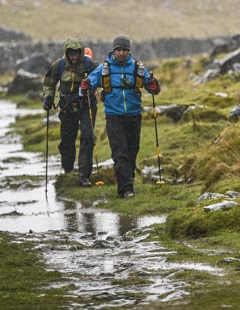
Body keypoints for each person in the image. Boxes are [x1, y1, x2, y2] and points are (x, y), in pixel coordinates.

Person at [81, 34, 160, 198]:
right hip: (113, 116)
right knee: (120, 153)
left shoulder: (137, 68)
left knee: (132, 152)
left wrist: (154, 85)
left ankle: (127, 181)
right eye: (118, 50)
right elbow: (87, 86)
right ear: (114, 51)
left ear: (129, 51)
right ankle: (126, 189)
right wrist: (86, 86)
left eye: (124, 50)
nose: (121, 53)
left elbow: (152, 87)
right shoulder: (104, 68)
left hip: (134, 116)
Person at [42, 38, 98, 187]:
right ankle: (68, 169)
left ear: (81, 52)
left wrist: (93, 87)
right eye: (71, 54)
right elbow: (49, 82)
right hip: (67, 107)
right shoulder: (60, 65)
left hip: (87, 105)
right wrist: (48, 97)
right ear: (66, 53)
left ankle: (84, 176)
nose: (74, 57)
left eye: (76, 54)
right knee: (67, 140)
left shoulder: (90, 64)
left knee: (87, 137)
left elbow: (101, 79)